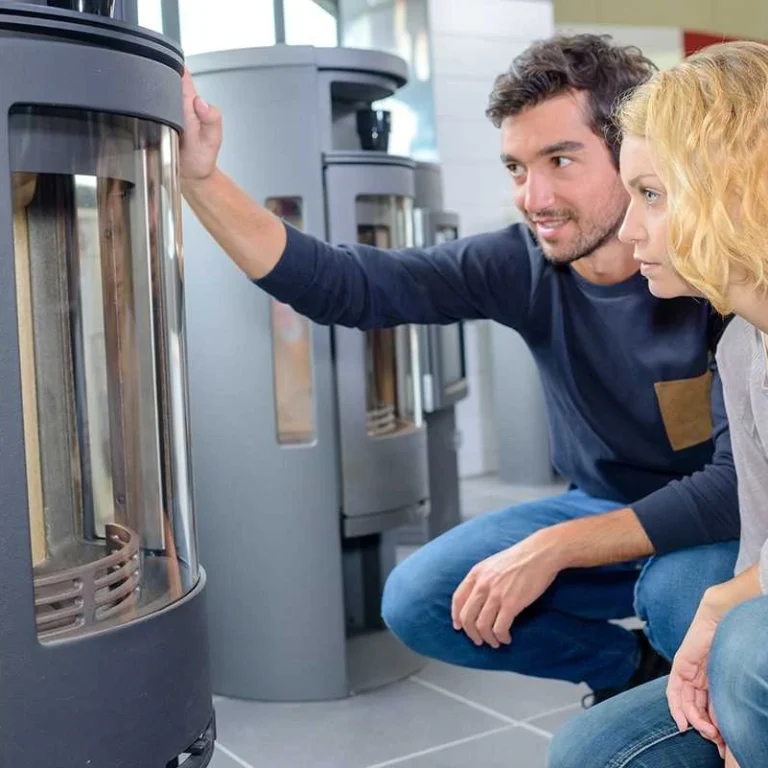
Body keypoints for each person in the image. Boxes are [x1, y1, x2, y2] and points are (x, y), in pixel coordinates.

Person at [179, 34, 740, 704]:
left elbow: (737, 487)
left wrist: (557, 548)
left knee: (680, 594)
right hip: (600, 503)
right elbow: (346, 285)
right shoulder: (521, 265)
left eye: (561, 160)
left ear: (632, 154)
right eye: (516, 169)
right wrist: (201, 179)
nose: (535, 197)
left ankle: (700, 722)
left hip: (717, 526)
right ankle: (632, 670)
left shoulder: (713, 275)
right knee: (420, 599)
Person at [548, 40, 768, 768]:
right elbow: (759, 534)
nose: (631, 227)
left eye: (651, 194)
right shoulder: (740, 345)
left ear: (732, 187)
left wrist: (724, 619)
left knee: (742, 639)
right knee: (590, 753)